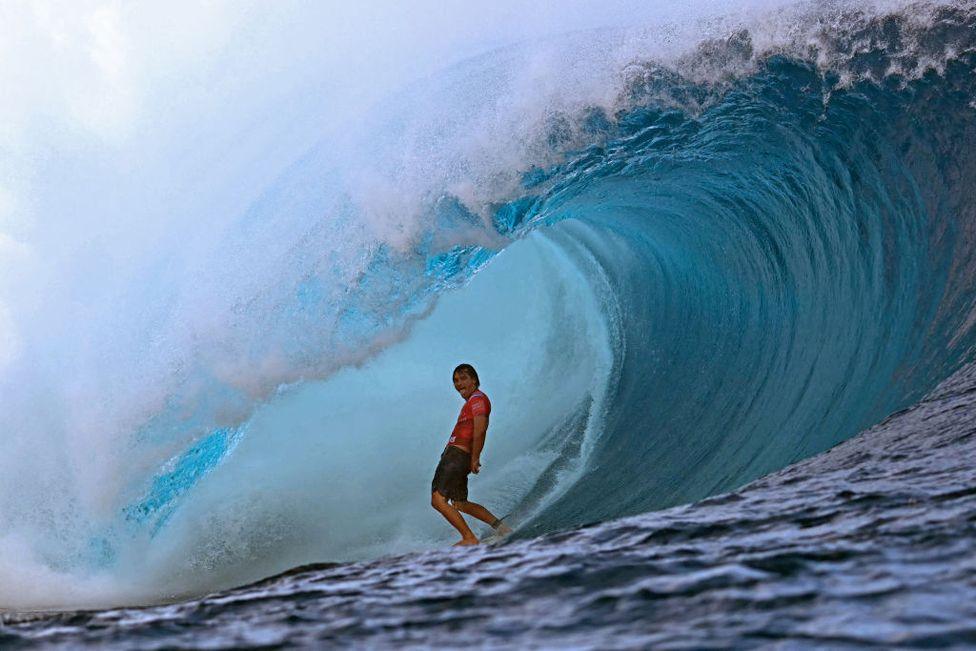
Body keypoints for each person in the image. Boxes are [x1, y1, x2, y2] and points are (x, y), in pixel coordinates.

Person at [431, 363, 510, 546]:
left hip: (457, 456)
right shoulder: (472, 402)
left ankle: (468, 537)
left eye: (463, 378)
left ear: (474, 380)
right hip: (456, 456)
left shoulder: (477, 400)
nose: (458, 383)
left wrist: (475, 457)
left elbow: (480, 431)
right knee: (459, 503)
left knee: (437, 499)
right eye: (455, 380)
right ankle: (502, 527)